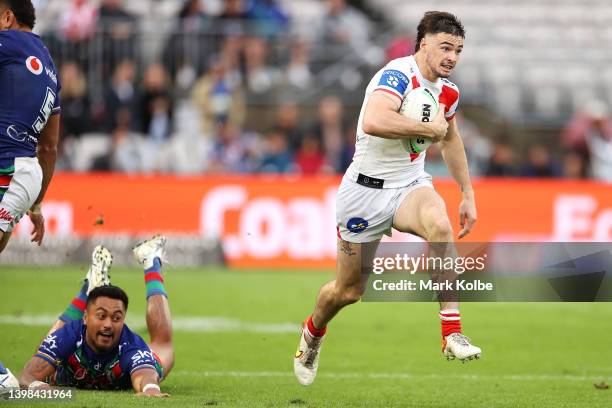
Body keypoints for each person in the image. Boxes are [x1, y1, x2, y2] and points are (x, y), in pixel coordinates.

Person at [293, 11, 481, 386]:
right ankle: (313, 332)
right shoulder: (395, 75)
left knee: (440, 226)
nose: (451, 57)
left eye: (458, 50)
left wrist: (467, 192)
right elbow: (375, 120)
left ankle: (452, 333)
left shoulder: (449, 92)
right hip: (363, 192)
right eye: (445, 47)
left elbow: (451, 139)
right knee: (347, 292)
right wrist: (427, 127)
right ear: (424, 43)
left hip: (410, 186)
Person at [19, 236, 174, 397]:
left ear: (123, 320)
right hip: (69, 346)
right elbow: (26, 377)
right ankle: (86, 292)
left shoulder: (131, 345)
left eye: (116, 318)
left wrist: (150, 389)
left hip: (115, 371)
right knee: (42, 350)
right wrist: (38, 387)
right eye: (101, 316)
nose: (108, 324)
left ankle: (151, 263)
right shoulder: (68, 335)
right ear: (84, 318)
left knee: (163, 347)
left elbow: (145, 374)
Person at [0, 0, 61, 253]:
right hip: (26, 174)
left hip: (8, 167)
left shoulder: (8, 42)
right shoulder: (51, 70)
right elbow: (48, 148)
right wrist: (36, 204)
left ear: (7, 18)